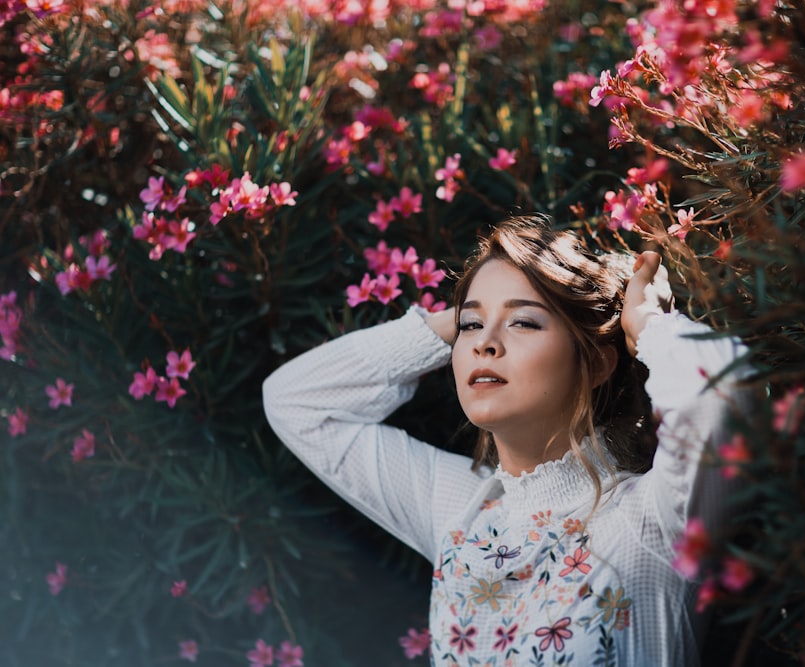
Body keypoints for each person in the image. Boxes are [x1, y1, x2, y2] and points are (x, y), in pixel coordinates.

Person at [262, 215, 749, 666]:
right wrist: (444, 325)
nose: (483, 343)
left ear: (597, 363)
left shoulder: (652, 524)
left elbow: (724, 391)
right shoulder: (458, 508)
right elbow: (296, 402)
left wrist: (649, 327)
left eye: (523, 321)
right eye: (471, 326)